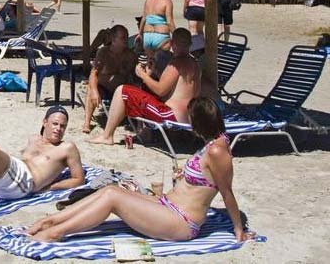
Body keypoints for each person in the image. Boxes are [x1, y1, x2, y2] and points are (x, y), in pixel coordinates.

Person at [26, 97, 255, 243]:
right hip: (167, 205)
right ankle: (52, 221)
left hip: (181, 221)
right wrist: (184, 176)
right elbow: (204, 181)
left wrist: (238, 230)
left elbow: (227, 193)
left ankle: (57, 232)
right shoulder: (211, 144)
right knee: (110, 190)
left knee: (113, 198)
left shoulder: (218, 152)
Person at [89, 28, 200, 144]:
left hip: (170, 115)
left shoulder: (176, 64)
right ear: (190, 44)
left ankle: (107, 136)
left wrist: (142, 75)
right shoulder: (194, 64)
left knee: (122, 90)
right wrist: (153, 73)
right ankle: (145, 133)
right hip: (189, 116)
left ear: (172, 43)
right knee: (144, 90)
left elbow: (161, 90)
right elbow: (176, 89)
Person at [82, 25, 138, 134]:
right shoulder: (103, 53)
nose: (126, 40)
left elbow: (134, 76)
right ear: (113, 39)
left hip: (121, 90)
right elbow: (93, 73)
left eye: (126, 37)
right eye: (122, 38)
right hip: (104, 87)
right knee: (91, 89)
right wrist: (94, 90)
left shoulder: (130, 55)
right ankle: (87, 122)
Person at [137, 0, 175, 65]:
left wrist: (140, 34)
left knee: (150, 64)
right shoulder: (167, 1)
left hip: (147, 36)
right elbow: (169, 22)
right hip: (161, 36)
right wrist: (177, 36)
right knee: (162, 66)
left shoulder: (148, 0)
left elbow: (144, 18)